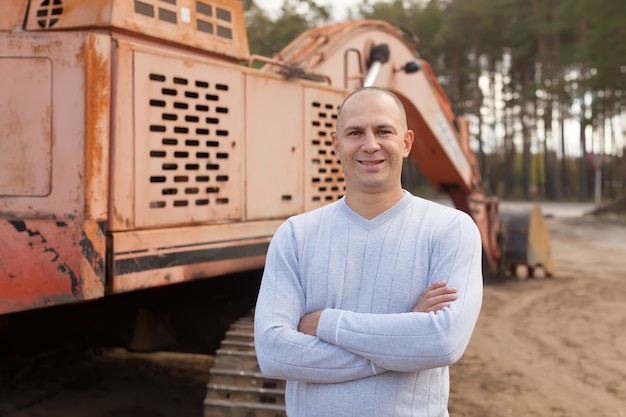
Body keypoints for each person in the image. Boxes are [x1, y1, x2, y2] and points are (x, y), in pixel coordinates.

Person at [253, 86, 483, 416]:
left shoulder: (451, 229)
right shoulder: (296, 235)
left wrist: (326, 324)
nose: (370, 144)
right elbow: (274, 353)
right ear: (336, 144)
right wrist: (403, 344)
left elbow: (444, 341)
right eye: (355, 132)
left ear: (406, 143)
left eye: (384, 131)